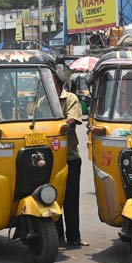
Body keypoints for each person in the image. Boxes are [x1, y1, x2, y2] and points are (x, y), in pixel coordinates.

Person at [55, 67, 84, 248]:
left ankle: (73, 237)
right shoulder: (43, 100)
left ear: (59, 84)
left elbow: (72, 119)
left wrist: (60, 124)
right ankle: (57, 237)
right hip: (51, 158)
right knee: (53, 198)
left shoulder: (71, 98)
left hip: (70, 157)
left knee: (71, 199)